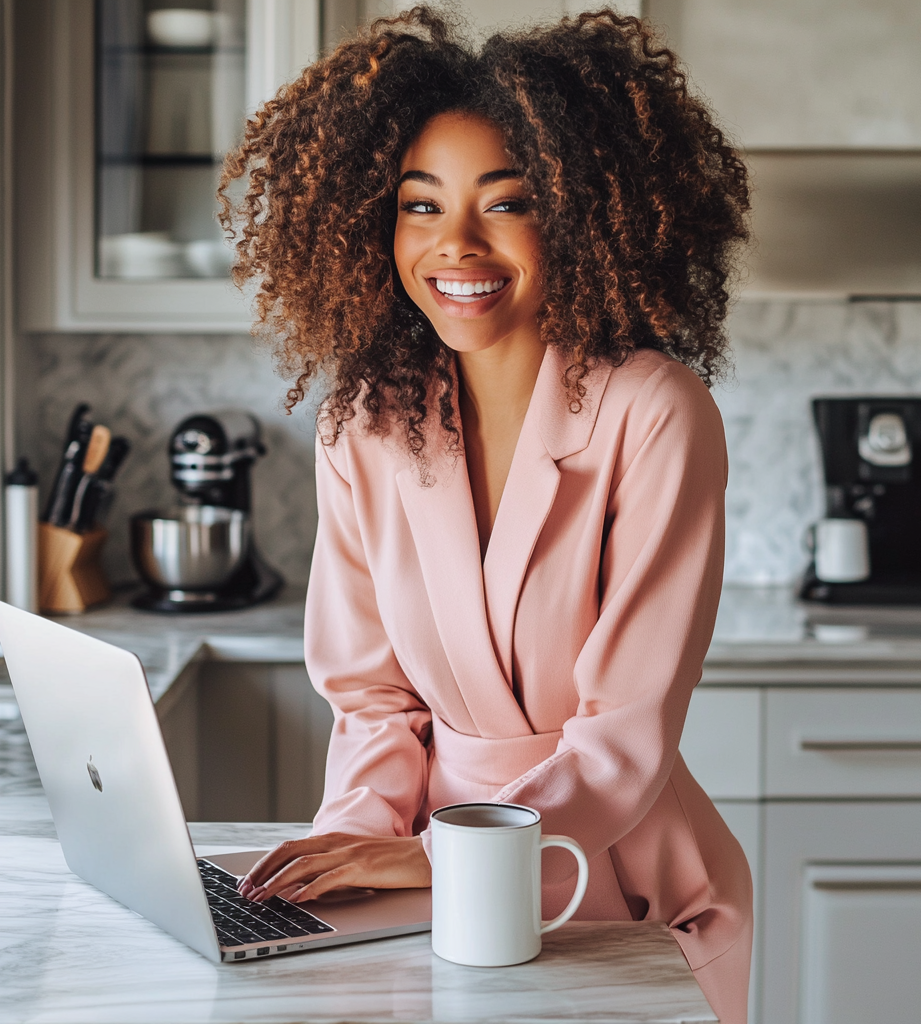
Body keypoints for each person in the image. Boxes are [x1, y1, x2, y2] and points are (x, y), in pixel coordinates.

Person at [219, 7, 752, 1021]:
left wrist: (430, 856)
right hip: (418, 885)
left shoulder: (653, 411)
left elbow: (624, 735)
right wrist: (351, 858)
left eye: (506, 205)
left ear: (583, 217)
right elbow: (372, 698)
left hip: (611, 875)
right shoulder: (363, 422)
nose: (453, 244)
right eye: (419, 206)